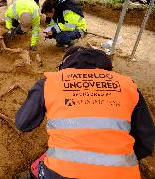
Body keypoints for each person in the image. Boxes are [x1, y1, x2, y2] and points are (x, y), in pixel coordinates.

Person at [14, 46, 155, 179]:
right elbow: (146, 143)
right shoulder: (128, 85)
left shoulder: (51, 81)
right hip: (123, 174)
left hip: (62, 173)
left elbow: (23, 123)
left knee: (36, 169)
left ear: (65, 64)